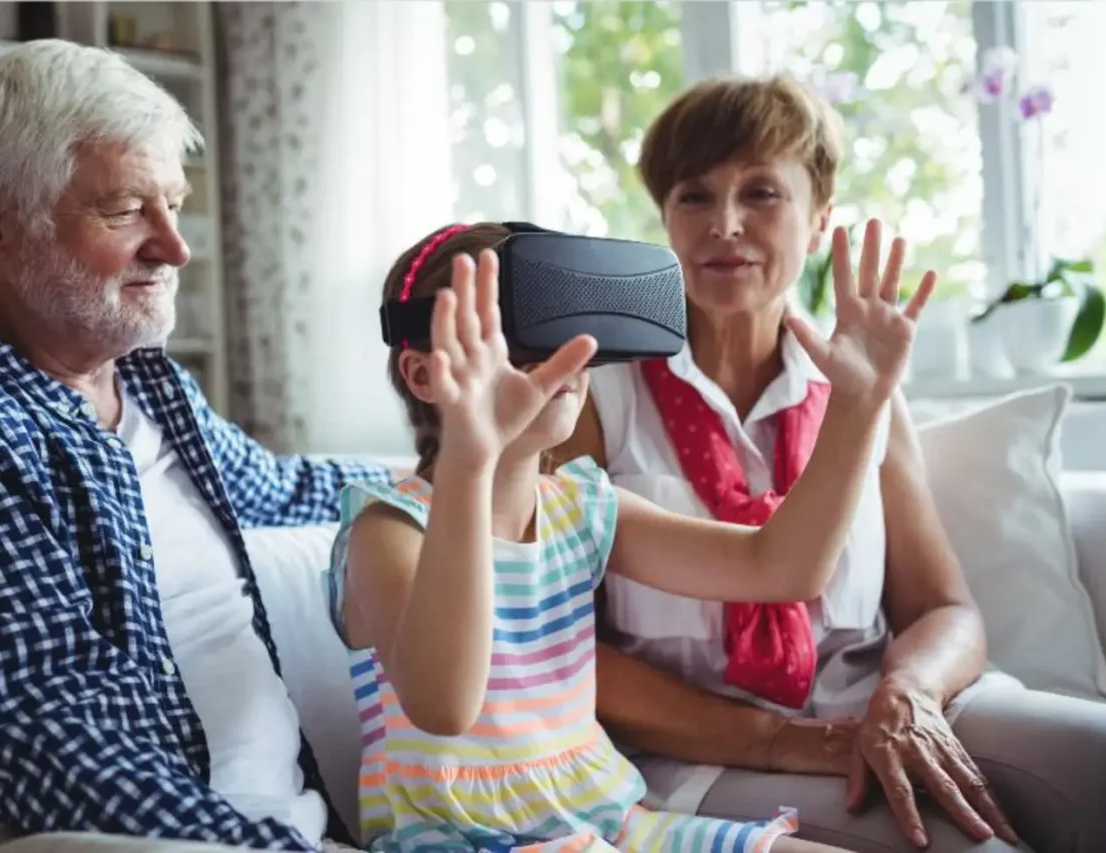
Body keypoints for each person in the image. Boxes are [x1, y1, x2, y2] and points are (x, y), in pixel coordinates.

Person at [556, 75, 1106, 852]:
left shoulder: (862, 388)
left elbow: (944, 610)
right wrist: (776, 737)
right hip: (704, 753)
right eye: (694, 197)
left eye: (762, 193)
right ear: (666, 223)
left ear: (818, 223)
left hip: (888, 707)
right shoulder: (593, 398)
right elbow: (560, 651)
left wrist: (909, 693)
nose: (725, 223)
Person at [0, 40, 392, 853]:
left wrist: (476, 464)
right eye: (125, 209)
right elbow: (49, 738)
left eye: (174, 204)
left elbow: (284, 490)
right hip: (31, 835)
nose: (175, 247)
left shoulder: (148, 385)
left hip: (253, 831)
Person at [325, 218, 935, 853]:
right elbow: (445, 707)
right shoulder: (389, 530)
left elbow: (781, 567)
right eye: (503, 336)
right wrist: (469, 463)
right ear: (423, 376)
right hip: (466, 838)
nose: (556, 354)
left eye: (560, 326)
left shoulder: (582, 509)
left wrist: (859, 403)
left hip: (609, 819)